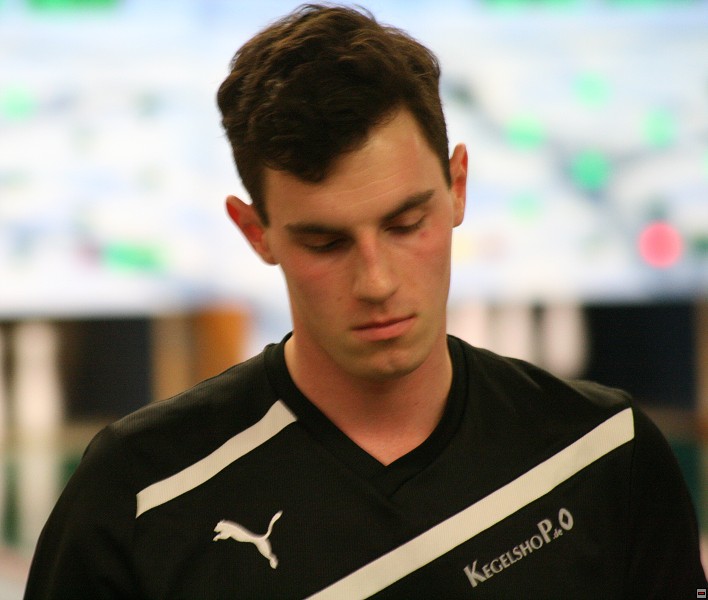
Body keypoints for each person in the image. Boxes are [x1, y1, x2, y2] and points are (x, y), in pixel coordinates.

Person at [25, 4, 706, 598]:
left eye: (406, 224)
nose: (376, 281)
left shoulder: (606, 457)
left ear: (458, 185)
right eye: (325, 243)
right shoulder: (137, 497)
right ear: (255, 232)